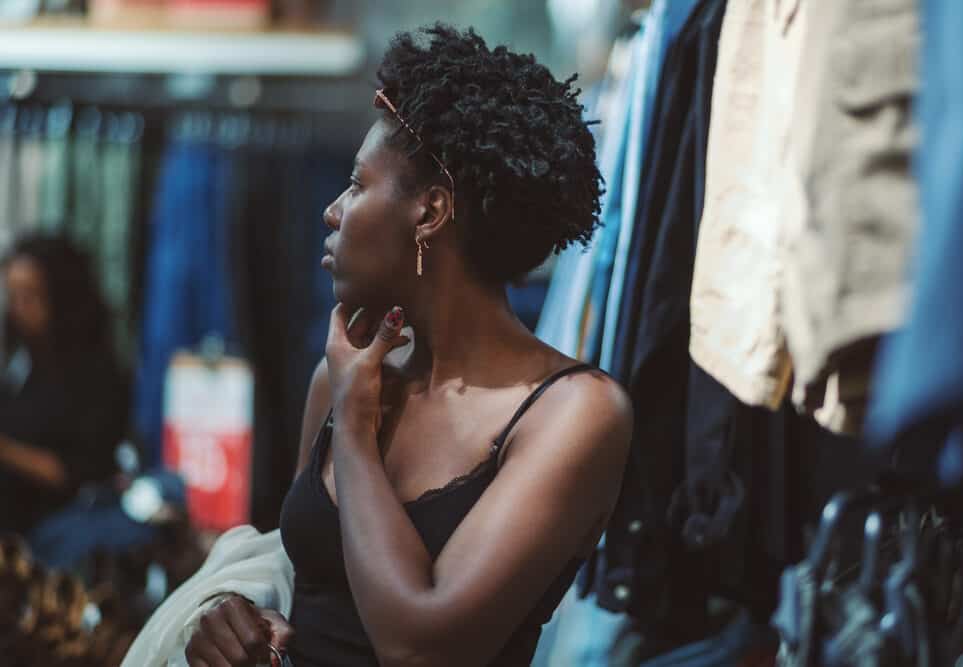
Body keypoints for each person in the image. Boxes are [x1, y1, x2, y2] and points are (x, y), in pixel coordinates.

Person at [185, 24, 632, 667]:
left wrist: (359, 433)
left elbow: (420, 647)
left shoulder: (574, 413)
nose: (332, 212)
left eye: (358, 184)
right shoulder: (342, 379)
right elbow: (310, 586)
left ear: (430, 212)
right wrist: (239, 621)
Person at [0, 233, 129, 535]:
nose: (19, 308)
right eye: (13, 296)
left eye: (30, 296)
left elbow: (79, 472)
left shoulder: (95, 373)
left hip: (60, 527)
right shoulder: (23, 357)